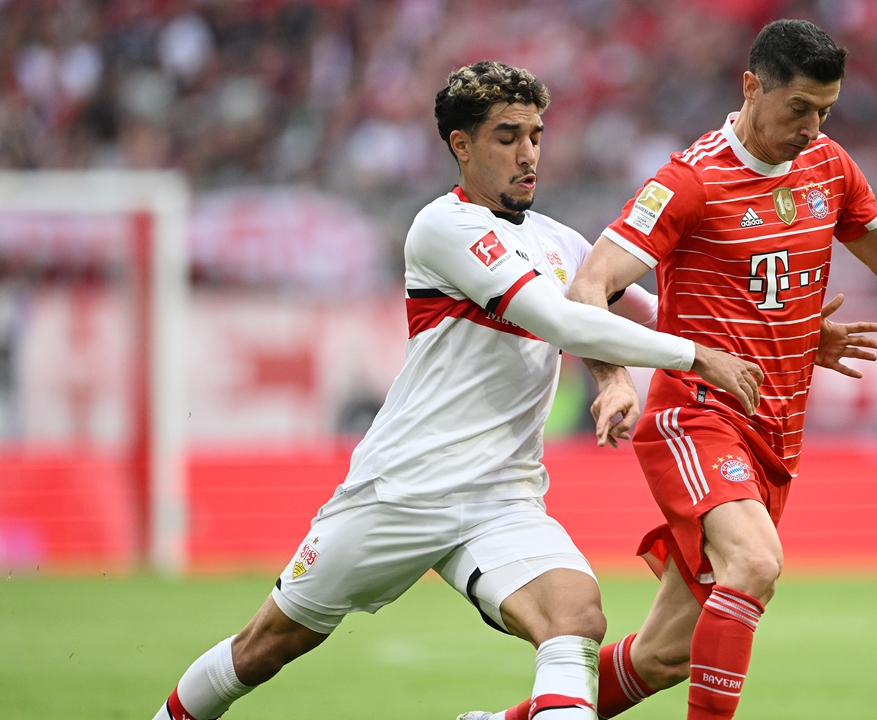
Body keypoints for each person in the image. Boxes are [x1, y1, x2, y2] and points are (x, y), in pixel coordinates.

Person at [470, 18, 877, 720]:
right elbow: (590, 284)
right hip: (696, 415)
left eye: (826, 110)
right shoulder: (691, 179)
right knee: (755, 565)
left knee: (667, 654)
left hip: (775, 435)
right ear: (750, 86)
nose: (812, 127)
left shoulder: (830, 166)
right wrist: (613, 379)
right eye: (799, 108)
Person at [149, 60, 767, 720]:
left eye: (535, 134)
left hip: (501, 494)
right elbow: (559, 319)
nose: (528, 153)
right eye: (507, 136)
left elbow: (649, 310)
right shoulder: (444, 228)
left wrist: (793, 334)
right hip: (402, 490)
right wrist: (694, 357)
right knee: (264, 647)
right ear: (461, 145)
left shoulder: (559, 239)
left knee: (576, 616)